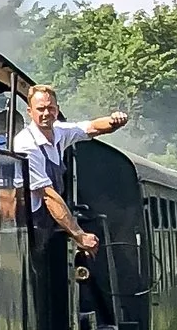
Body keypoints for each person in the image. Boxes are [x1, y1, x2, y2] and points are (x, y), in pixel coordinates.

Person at [14, 84, 128, 262]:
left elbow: (91, 128)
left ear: (57, 110)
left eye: (50, 108)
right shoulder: (26, 144)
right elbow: (48, 195)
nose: (46, 113)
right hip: (30, 226)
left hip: (47, 225)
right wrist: (79, 235)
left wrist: (114, 122)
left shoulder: (59, 132)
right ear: (30, 111)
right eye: (40, 109)